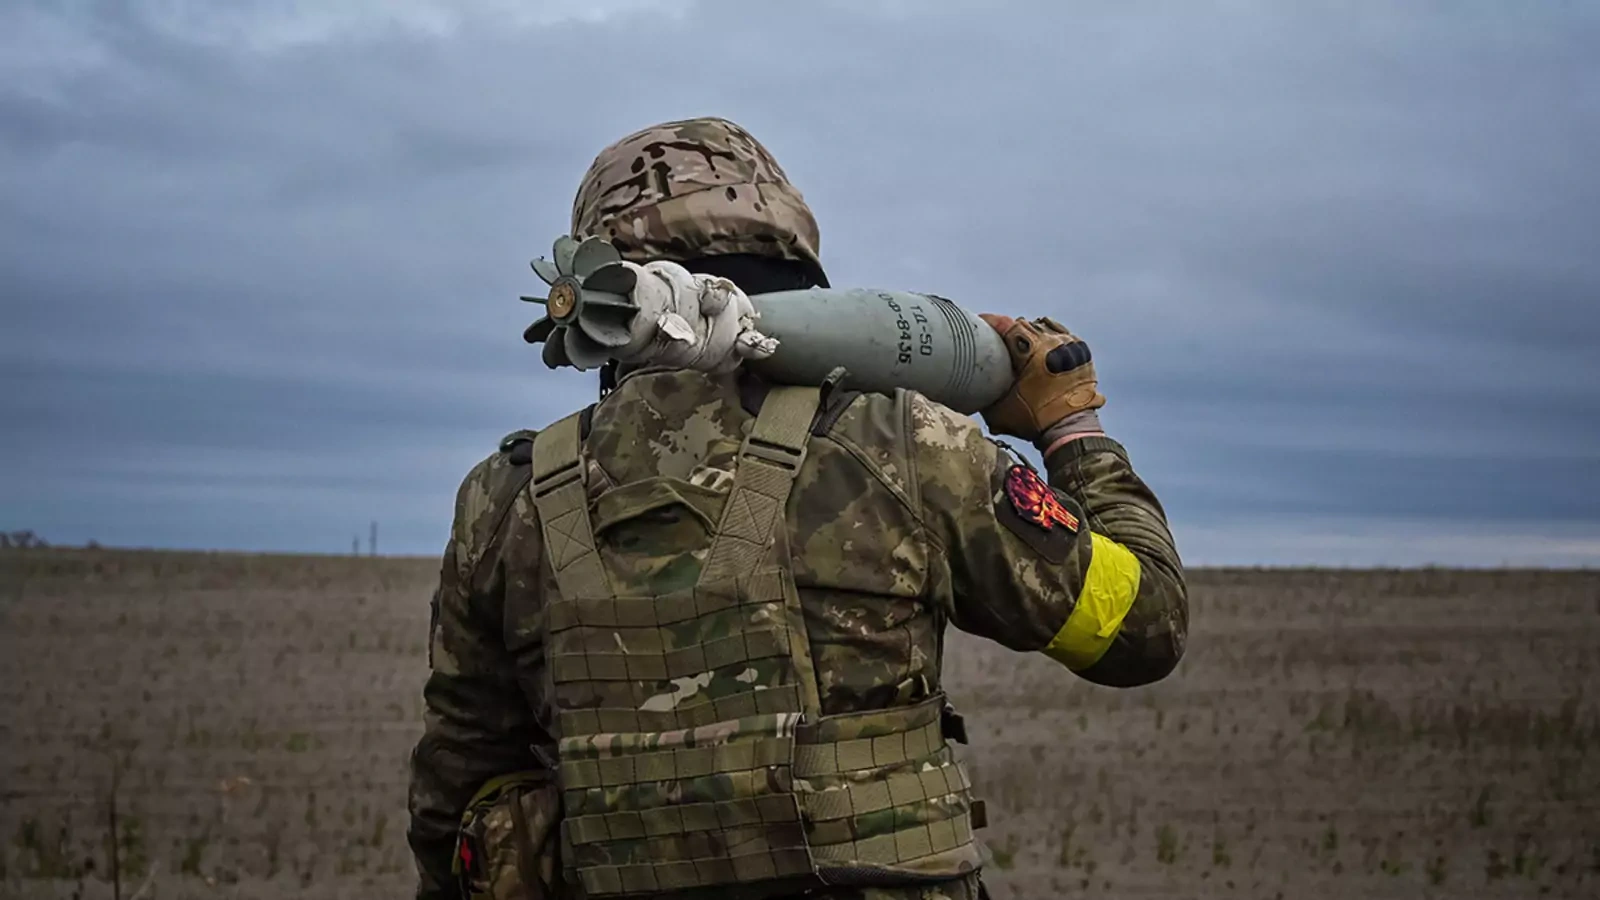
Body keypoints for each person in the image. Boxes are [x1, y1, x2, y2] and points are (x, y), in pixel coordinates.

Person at [407, 117, 1188, 900]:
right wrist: (1072, 426)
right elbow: (1141, 629)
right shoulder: (904, 445)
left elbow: (459, 789)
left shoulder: (507, 496)